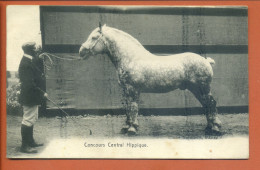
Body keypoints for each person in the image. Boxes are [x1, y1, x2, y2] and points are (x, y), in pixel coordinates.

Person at [18, 42, 47, 153]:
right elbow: (30, 84)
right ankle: (24, 146)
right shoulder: (26, 63)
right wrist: (42, 93)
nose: (36, 50)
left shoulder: (29, 60)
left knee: (32, 118)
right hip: (29, 96)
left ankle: (30, 141)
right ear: (30, 50)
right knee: (28, 120)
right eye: (35, 48)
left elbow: (36, 73)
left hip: (32, 96)